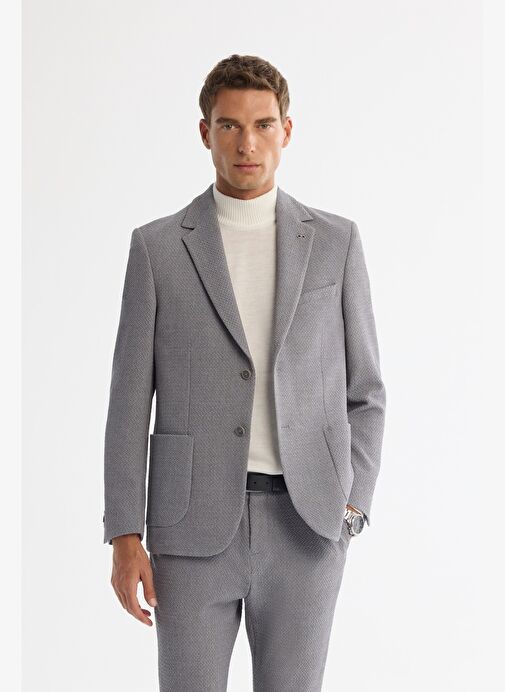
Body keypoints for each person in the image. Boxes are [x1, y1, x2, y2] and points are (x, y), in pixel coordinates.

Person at [103, 53, 386, 692]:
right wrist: (123, 532)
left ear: (287, 130)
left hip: (308, 525)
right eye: (229, 125)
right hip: (188, 529)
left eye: (263, 124)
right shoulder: (157, 248)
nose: (246, 143)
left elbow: (366, 391)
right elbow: (128, 401)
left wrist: (352, 506)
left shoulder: (336, 243)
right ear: (205, 133)